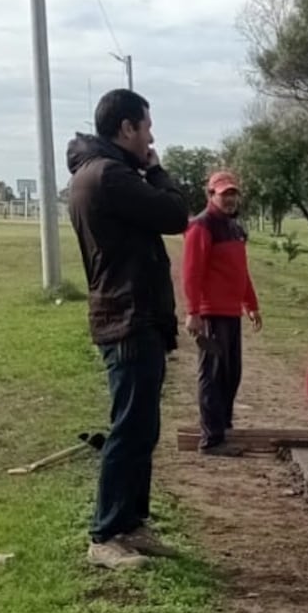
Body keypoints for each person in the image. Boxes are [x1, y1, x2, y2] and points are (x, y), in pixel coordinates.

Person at [67, 88, 189, 570]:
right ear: (126, 129)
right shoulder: (110, 176)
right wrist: (156, 169)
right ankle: (105, 535)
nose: (152, 135)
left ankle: (131, 525)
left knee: (142, 428)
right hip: (127, 317)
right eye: (147, 126)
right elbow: (175, 214)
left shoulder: (97, 172)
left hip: (131, 315)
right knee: (129, 429)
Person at [182, 171, 262, 451]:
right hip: (211, 313)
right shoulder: (201, 226)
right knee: (213, 375)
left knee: (231, 373)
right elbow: (191, 273)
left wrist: (251, 304)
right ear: (210, 195)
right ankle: (212, 439)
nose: (229, 199)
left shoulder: (234, 228)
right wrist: (193, 312)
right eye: (223, 194)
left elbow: (241, 272)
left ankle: (223, 427)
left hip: (231, 313)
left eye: (232, 194)